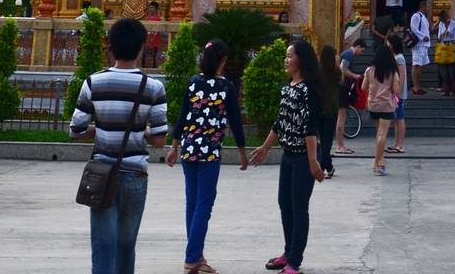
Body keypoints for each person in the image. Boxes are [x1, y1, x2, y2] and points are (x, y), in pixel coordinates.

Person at [69, 15, 168, 274]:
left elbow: (76, 130)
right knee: (126, 246)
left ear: (110, 45)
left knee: (103, 246)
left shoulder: (93, 82)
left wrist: (100, 128)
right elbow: (159, 139)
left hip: (102, 174)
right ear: (142, 47)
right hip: (135, 174)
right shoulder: (153, 87)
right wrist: (139, 131)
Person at [165, 37, 247, 274]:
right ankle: (192, 258)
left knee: (193, 203)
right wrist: (242, 152)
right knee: (203, 204)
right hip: (210, 152)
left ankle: (196, 254)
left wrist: (174, 145)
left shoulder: (193, 82)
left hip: (189, 149)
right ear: (222, 60)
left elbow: (183, 115)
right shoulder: (226, 87)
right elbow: (235, 120)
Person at [251, 39, 326, 274]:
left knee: (299, 206)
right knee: (285, 204)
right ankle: (287, 251)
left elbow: (310, 127)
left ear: (301, 59)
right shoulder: (288, 87)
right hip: (289, 154)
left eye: (290, 55)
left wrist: (314, 162)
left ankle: (295, 260)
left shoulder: (308, 90)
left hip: (305, 156)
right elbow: (280, 122)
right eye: (286, 55)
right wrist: (264, 147)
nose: (286, 59)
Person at [361, 41, 401, 175]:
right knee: (383, 134)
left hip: (373, 104)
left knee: (378, 133)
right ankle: (377, 163)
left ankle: (380, 159)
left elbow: (363, 87)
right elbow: (396, 90)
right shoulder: (392, 72)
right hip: (386, 105)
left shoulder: (369, 70)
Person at [318, 44, 341, 177]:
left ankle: (329, 167)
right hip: (331, 109)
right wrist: (337, 63)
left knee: (322, 139)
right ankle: (323, 167)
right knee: (327, 141)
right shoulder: (335, 71)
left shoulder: (317, 71)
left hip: (319, 108)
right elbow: (341, 80)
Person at [334, 42, 361, 155]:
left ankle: (341, 145)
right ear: (358, 46)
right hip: (342, 89)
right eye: (362, 50)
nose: (361, 53)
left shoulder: (346, 54)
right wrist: (355, 76)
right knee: (341, 117)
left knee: (341, 118)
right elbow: (343, 69)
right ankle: (340, 146)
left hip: (341, 89)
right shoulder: (349, 54)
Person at [385, 31, 407, 154]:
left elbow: (402, 75)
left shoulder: (399, 58)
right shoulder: (394, 57)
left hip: (398, 91)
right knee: (396, 119)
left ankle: (400, 144)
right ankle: (396, 143)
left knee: (399, 118)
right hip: (394, 90)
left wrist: (398, 90)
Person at [434, 6, 455, 96]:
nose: (443, 22)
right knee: (443, 71)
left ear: (447, 17)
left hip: (451, 48)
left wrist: (449, 34)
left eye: (444, 20)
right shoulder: (441, 24)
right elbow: (438, 37)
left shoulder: (454, 24)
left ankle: (454, 88)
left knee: (452, 70)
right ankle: (446, 89)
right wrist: (442, 34)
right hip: (442, 48)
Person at [408, 0, 431, 93]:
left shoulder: (424, 17)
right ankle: (415, 87)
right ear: (423, 7)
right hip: (418, 45)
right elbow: (413, 28)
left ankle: (418, 86)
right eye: (427, 7)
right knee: (416, 65)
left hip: (424, 45)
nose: (428, 9)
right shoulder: (416, 16)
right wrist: (423, 37)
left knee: (421, 66)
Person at [143, 1, 162, 68]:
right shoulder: (147, 18)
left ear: (156, 9)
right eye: (150, 7)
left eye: (152, 8)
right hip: (147, 39)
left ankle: (154, 68)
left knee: (154, 55)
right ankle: (144, 68)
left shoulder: (158, 19)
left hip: (155, 39)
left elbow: (158, 30)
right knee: (144, 54)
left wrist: (153, 37)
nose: (150, 9)